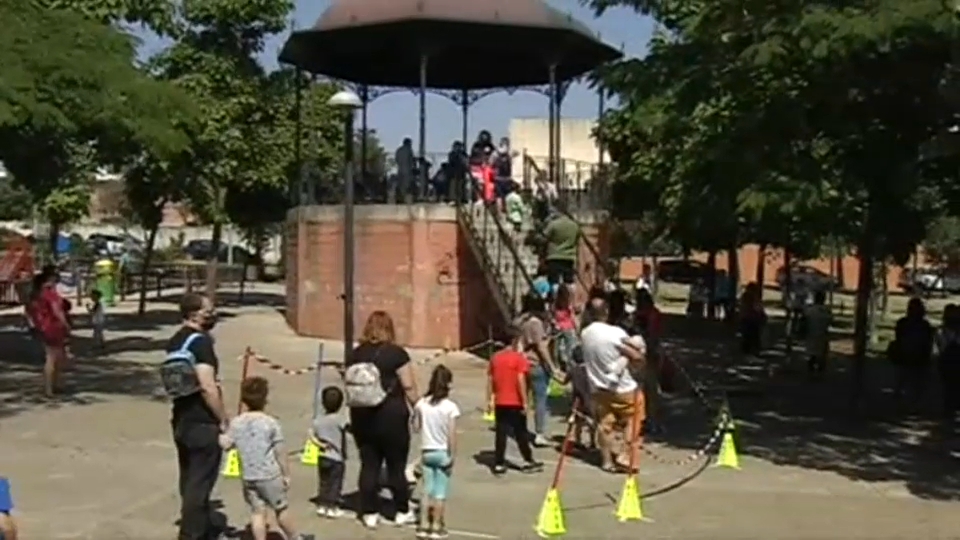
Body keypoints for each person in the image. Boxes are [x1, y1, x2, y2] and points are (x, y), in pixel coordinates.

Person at [346, 311, 420, 529]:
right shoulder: (396, 354)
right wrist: (418, 407)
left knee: (369, 464)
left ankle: (369, 512)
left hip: (361, 416)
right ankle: (401, 511)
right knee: (396, 466)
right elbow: (408, 386)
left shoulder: (356, 353)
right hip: (392, 416)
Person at [168, 293, 228, 540]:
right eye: (208, 310)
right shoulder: (201, 343)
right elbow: (207, 386)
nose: (212, 313)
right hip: (202, 420)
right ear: (194, 314)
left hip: (181, 417)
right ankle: (192, 533)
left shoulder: (176, 340)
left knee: (189, 475)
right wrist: (223, 419)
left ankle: (201, 525)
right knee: (200, 481)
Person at [224, 377, 311, 540]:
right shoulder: (270, 423)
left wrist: (224, 432)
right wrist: (286, 474)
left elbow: (226, 444)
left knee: (257, 512)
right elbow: (280, 451)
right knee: (281, 509)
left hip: (249, 475)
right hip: (269, 475)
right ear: (265, 398)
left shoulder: (236, 423)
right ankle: (295, 537)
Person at [580, 299, 645, 473]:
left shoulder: (585, 333)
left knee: (604, 424)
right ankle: (625, 456)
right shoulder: (614, 333)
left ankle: (606, 461)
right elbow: (636, 356)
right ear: (606, 312)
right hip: (623, 388)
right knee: (633, 419)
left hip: (598, 387)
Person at [486, 323, 544, 475]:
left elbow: (491, 380)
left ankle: (498, 463)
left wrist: (489, 400)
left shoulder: (495, 358)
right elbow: (520, 381)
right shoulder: (518, 359)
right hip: (515, 401)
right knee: (521, 433)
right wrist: (525, 402)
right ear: (514, 340)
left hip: (500, 400)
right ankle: (528, 460)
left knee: (501, 432)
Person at [413, 365, 461, 538]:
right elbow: (451, 434)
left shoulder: (422, 403)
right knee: (440, 492)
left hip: (427, 450)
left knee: (427, 490)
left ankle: (423, 525)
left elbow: (416, 427)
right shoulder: (450, 407)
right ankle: (436, 526)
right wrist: (452, 456)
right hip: (442, 452)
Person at [516, 293, 555, 447]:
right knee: (540, 400)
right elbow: (541, 346)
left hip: (523, 363)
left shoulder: (522, 321)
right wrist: (552, 366)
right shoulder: (536, 323)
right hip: (536, 364)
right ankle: (539, 433)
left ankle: (521, 429)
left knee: (524, 399)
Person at [28, 266, 70, 398]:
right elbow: (57, 310)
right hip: (54, 326)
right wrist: (66, 324)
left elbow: (29, 311)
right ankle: (51, 387)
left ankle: (52, 386)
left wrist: (33, 325)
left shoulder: (36, 295)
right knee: (54, 358)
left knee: (53, 357)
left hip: (43, 327)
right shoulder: (50, 295)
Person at [311, 386, 349, 518]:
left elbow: (311, 435)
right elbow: (349, 427)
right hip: (336, 457)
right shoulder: (339, 420)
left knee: (324, 481)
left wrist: (320, 444)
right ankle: (332, 506)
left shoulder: (318, 420)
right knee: (335, 483)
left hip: (322, 455)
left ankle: (322, 505)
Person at [891, 298, 935, 407]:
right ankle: (911, 399)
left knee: (907, 378)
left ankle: (903, 396)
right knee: (914, 380)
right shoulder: (924, 325)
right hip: (913, 357)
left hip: (910, 356)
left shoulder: (904, 323)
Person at [634, 289, 665, 435]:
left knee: (648, 390)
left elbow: (652, 335)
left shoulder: (646, 315)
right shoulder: (650, 314)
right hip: (648, 354)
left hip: (646, 354)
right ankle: (650, 420)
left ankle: (651, 421)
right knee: (650, 391)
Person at [542, 201, 580, 292]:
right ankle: (569, 300)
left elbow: (544, 237)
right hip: (569, 257)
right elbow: (577, 241)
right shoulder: (575, 225)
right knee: (568, 281)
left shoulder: (553, 224)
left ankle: (554, 300)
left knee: (553, 281)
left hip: (554, 256)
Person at [935, 304, 960, 422]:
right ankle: (950, 408)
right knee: (951, 386)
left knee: (951, 387)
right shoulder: (942, 331)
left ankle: (950, 408)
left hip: (948, 363)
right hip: (949, 363)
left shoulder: (942, 331)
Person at [802, 289, 832, 379]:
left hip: (811, 334)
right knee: (822, 354)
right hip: (822, 335)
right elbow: (830, 321)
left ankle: (811, 372)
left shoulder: (809, 310)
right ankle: (820, 373)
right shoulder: (826, 311)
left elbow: (804, 321)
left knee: (812, 354)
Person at [553, 285, 578, 370]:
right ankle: (569, 368)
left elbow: (553, 316)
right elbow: (572, 317)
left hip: (558, 328)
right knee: (570, 349)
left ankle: (558, 367)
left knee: (558, 350)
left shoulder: (555, 304)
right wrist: (577, 329)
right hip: (569, 327)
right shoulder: (568, 304)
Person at [739, 283, 767, 358]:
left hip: (746, 318)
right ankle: (754, 350)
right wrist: (762, 315)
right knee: (754, 335)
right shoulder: (753, 297)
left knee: (747, 335)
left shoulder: (744, 296)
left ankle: (746, 349)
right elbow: (757, 307)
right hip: (752, 319)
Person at [393, 138, 415, 204]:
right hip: (407, 170)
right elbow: (411, 160)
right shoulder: (409, 150)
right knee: (406, 185)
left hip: (400, 169)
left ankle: (399, 198)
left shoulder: (399, 150)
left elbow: (396, 159)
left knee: (400, 184)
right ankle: (405, 199)